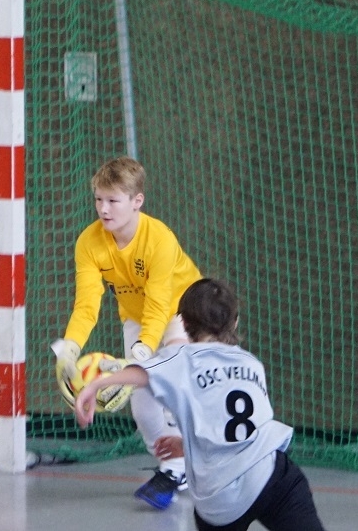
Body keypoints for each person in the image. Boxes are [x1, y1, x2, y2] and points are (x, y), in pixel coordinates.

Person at [75, 278, 326, 531]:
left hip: (222, 499)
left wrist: (95, 386)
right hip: (271, 475)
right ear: (235, 321)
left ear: (183, 324)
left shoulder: (181, 359)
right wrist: (188, 445)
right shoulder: (251, 363)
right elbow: (234, 425)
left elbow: (140, 373)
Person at [52, 156, 203, 509]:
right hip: (136, 316)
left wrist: (140, 354)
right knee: (142, 405)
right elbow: (87, 304)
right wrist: (70, 348)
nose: (103, 209)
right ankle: (173, 465)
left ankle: (188, 462)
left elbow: (159, 305)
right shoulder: (89, 242)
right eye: (98, 199)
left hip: (183, 309)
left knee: (174, 372)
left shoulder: (159, 239)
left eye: (113, 200)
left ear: (137, 201)